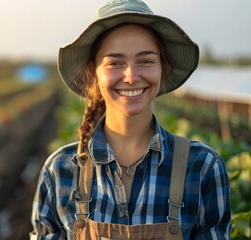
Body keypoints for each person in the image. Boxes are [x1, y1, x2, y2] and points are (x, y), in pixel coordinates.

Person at [30, 0, 232, 239]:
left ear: (162, 68)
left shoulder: (202, 167)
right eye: (115, 63)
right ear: (94, 74)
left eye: (145, 61)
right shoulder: (60, 170)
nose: (131, 76)